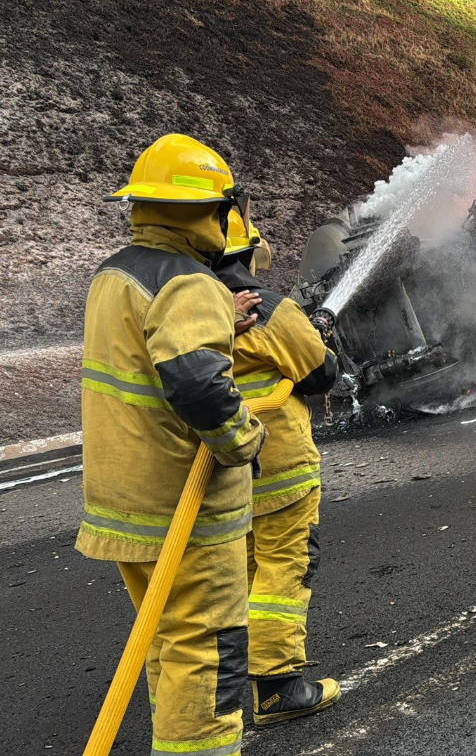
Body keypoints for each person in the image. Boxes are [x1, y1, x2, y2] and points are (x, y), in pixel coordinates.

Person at [80, 134, 266, 755]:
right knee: (207, 652)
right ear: (213, 211)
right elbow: (195, 382)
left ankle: (173, 742)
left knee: (165, 640)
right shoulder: (191, 282)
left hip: (122, 498)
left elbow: (151, 353)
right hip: (180, 509)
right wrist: (243, 437)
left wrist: (222, 325)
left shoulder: (116, 273)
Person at [217, 211, 341, 726]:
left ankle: (228, 686)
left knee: (240, 571)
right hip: (280, 468)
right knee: (283, 567)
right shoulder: (268, 308)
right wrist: (315, 335)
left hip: (220, 468)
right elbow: (321, 373)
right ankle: (279, 689)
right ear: (249, 255)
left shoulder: (188, 307)